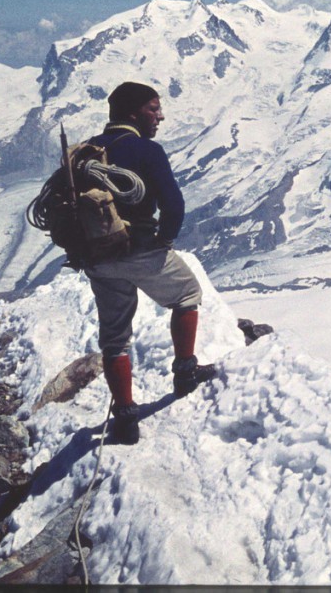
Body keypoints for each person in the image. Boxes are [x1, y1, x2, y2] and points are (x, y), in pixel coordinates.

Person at [83, 82, 216, 444]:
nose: (159, 115)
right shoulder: (147, 150)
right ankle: (185, 371)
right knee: (187, 294)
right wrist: (165, 241)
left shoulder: (85, 153)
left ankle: (125, 416)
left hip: (97, 257)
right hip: (141, 250)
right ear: (133, 113)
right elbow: (173, 205)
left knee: (115, 338)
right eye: (153, 108)